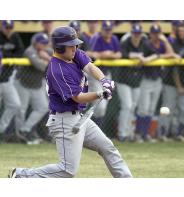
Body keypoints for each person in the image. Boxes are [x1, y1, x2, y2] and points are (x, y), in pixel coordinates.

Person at [8, 26, 132, 178]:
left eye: (75, 44)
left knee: (108, 148)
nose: (75, 48)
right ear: (60, 47)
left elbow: (90, 67)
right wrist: (99, 93)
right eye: (71, 45)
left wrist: (104, 80)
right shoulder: (57, 69)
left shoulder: (74, 54)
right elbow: (77, 97)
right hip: (64, 121)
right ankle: (22, 175)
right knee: (67, 170)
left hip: (80, 117)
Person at [137, 24, 179, 142]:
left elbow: (171, 53)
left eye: (157, 33)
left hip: (157, 80)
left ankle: (146, 134)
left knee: (151, 109)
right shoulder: (146, 44)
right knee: (143, 108)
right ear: (150, 34)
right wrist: (159, 55)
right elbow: (162, 54)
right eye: (154, 33)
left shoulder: (162, 44)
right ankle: (139, 134)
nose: (155, 35)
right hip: (146, 79)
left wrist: (165, 41)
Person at [15, 32, 50, 144]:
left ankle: (24, 130)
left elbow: (59, 61)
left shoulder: (47, 52)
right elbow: (40, 66)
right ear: (35, 42)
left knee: (43, 107)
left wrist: (47, 58)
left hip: (36, 85)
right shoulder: (29, 51)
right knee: (21, 109)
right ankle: (18, 135)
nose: (44, 45)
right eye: (41, 43)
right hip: (23, 84)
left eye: (45, 43)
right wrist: (48, 60)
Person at [157, 24, 184, 141]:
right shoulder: (172, 42)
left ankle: (179, 133)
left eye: (183, 31)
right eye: (179, 31)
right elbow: (174, 67)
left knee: (183, 109)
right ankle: (163, 133)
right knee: (167, 108)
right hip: (170, 81)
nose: (181, 33)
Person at [89, 20, 122, 126]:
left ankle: (97, 131)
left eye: (109, 30)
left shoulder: (114, 39)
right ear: (101, 29)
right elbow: (91, 54)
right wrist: (105, 54)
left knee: (102, 107)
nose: (108, 32)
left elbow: (119, 55)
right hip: (94, 75)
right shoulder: (96, 38)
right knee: (99, 105)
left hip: (106, 74)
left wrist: (107, 55)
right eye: (106, 30)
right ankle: (91, 129)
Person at [117, 24, 145, 142]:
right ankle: (122, 133)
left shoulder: (144, 43)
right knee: (127, 106)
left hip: (137, 80)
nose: (136, 36)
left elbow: (156, 54)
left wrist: (146, 59)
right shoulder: (126, 41)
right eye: (135, 33)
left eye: (138, 34)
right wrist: (137, 55)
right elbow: (120, 54)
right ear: (131, 33)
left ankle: (129, 132)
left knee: (132, 107)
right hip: (123, 80)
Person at [0, 20, 24, 140]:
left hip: (7, 78)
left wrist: (7, 56)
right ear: (2, 26)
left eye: (10, 27)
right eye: (6, 27)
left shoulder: (15, 37)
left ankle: (1, 129)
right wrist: (9, 55)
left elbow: (20, 52)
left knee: (15, 104)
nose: (8, 29)